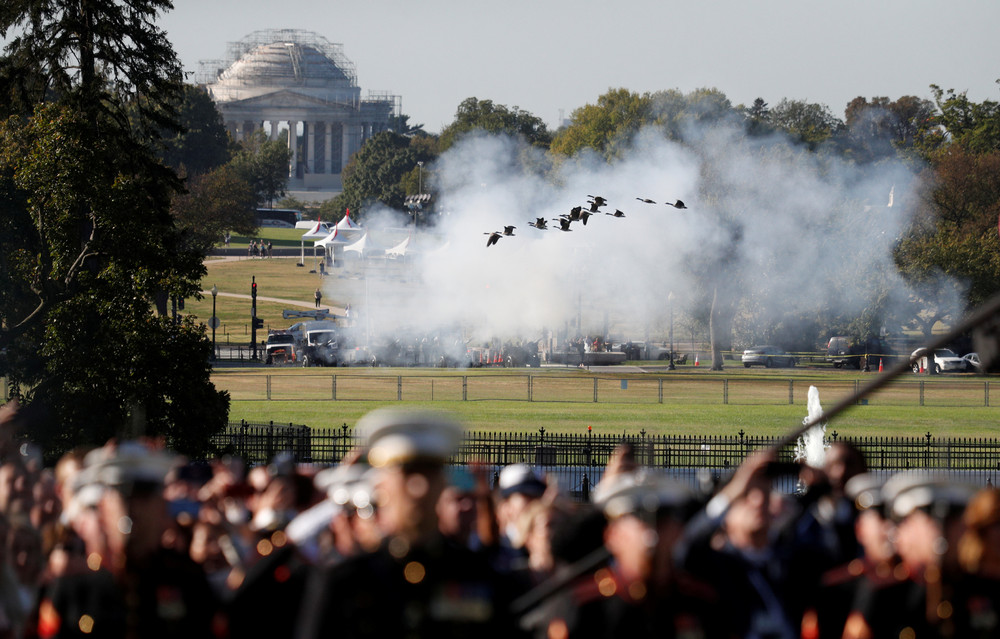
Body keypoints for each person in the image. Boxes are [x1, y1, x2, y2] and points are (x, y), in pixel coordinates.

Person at [296, 408, 527, 639]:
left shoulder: (478, 576)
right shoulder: (345, 582)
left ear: (443, 484)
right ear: (381, 485)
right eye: (407, 474)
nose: (420, 488)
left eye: (430, 474)